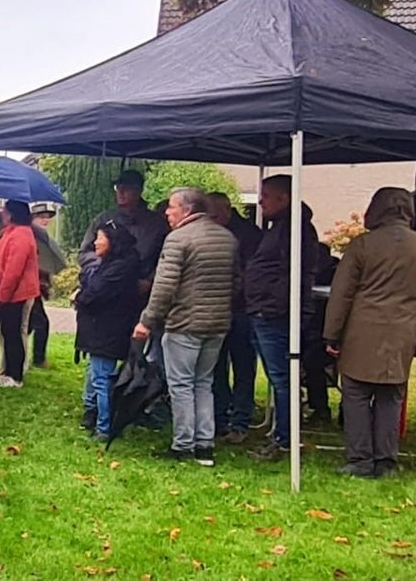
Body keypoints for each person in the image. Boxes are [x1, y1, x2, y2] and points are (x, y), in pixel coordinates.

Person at [322, 188, 416, 478]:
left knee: (356, 394)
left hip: (361, 330)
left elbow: (342, 295)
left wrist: (332, 334)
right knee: (392, 396)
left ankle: (359, 459)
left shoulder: (362, 245)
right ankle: (386, 460)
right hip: (403, 333)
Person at [132, 189, 236, 466]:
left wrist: (147, 321)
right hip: (218, 323)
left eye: (172, 207)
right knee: (205, 383)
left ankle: (183, 445)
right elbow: (236, 281)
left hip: (185, 323)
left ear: (188, 210)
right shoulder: (227, 238)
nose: (166, 212)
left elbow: (163, 287)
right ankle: (205, 445)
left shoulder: (178, 239)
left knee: (181, 384)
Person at [244, 175, 319, 462]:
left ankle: (285, 439)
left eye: (266, 195)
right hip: (266, 310)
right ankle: (282, 435)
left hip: (276, 315)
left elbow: (294, 273)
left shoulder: (295, 230)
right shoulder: (281, 227)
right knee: (280, 379)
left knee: (282, 379)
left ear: (284, 198)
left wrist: (270, 305)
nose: (260, 201)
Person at [75, 221, 142, 440]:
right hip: (106, 328)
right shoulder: (116, 264)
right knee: (98, 374)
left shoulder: (117, 269)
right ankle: (94, 414)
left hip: (107, 329)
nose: (95, 242)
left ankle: (104, 428)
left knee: (101, 378)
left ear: (112, 242)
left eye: (100, 237)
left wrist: (79, 296)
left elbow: (94, 293)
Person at [206, 191, 261, 443]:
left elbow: (247, 276)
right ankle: (219, 417)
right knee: (216, 366)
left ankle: (239, 420)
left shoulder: (248, 236)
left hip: (240, 311)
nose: (210, 220)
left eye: (214, 215)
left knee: (242, 366)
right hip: (221, 309)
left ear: (227, 211)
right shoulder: (221, 233)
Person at [85, 169, 169, 295]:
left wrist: (151, 280)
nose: (120, 192)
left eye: (127, 188)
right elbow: (85, 252)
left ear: (139, 191)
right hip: (106, 290)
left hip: (140, 290)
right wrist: (104, 271)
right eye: (118, 187)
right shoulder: (103, 220)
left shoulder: (157, 224)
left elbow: (166, 258)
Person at [0, 201, 41, 388]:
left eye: (4, 212)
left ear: (12, 214)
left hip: (17, 294)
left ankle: (16, 375)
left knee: (13, 333)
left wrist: (3, 296)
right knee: (8, 332)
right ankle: (7, 371)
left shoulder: (21, 235)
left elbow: (14, 270)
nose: (2, 215)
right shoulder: (12, 233)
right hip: (11, 293)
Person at [28, 202, 66, 368]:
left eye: (47, 218)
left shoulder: (44, 240)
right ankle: (38, 358)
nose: (45, 221)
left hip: (37, 288)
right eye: (41, 217)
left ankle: (32, 357)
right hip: (30, 287)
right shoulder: (30, 237)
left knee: (29, 324)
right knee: (41, 323)